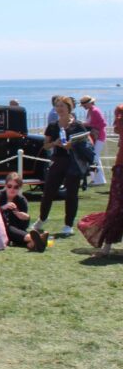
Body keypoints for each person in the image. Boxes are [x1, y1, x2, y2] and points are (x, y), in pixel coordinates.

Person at [35, 95, 90, 236]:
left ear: (69, 108)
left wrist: (73, 145)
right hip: (58, 160)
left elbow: (87, 141)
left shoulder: (77, 125)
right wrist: (55, 143)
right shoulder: (53, 126)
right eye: (57, 106)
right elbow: (46, 146)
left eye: (62, 106)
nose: (59, 109)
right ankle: (42, 219)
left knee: (72, 194)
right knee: (48, 191)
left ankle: (68, 225)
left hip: (73, 162)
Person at [79, 104, 123, 256]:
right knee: (116, 207)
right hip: (121, 167)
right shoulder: (120, 110)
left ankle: (107, 247)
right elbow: (117, 128)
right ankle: (107, 246)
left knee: (116, 207)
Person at [0, 172, 47, 252]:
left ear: (19, 188)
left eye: (16, 187)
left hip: (15, 232)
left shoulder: (21, 200)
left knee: (14, 230)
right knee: (7, 227)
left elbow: (23, 227)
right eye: (9, 186)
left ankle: (32, 244)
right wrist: (3, 207)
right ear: (5, 186)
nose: (12, 189)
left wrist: (25, 218)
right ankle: (36, 240)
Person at [80, 95, 107, 186]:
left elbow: (103, 124)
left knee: (94, 157)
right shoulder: (91, 111)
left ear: (89, 103)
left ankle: (99, 180)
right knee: (94, 157)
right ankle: (96, 179)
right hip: (96, 136)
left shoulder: (94, 111)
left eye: (84, 104)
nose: (83, 106)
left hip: (99, 136)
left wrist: (88, 125)